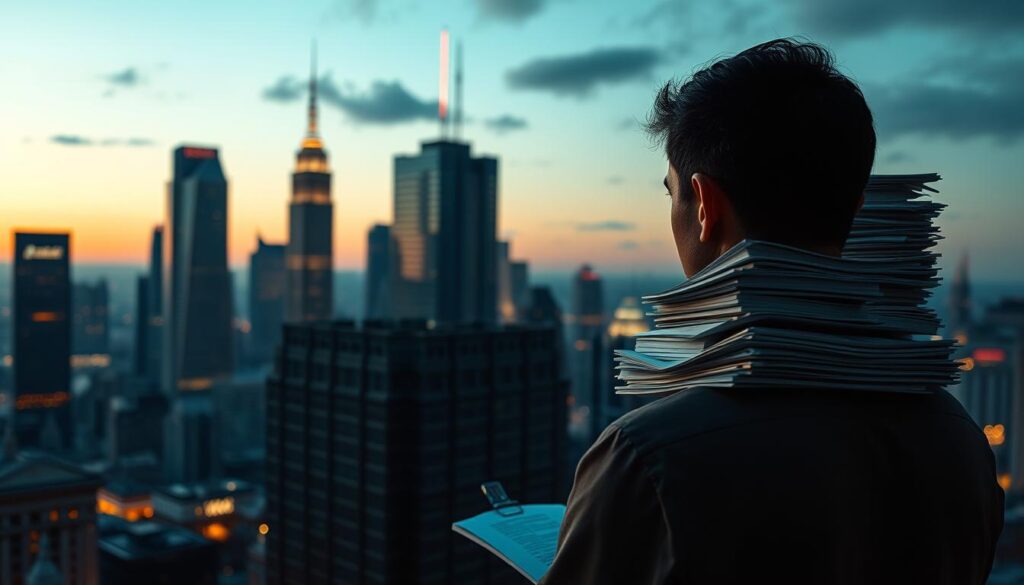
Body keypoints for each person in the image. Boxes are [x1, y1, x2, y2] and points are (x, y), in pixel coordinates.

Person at [540, 39, 1004, 585]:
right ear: (856, 207)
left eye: (671, 195)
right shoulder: (958, 439)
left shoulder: (649, 457)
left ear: (705, 205)